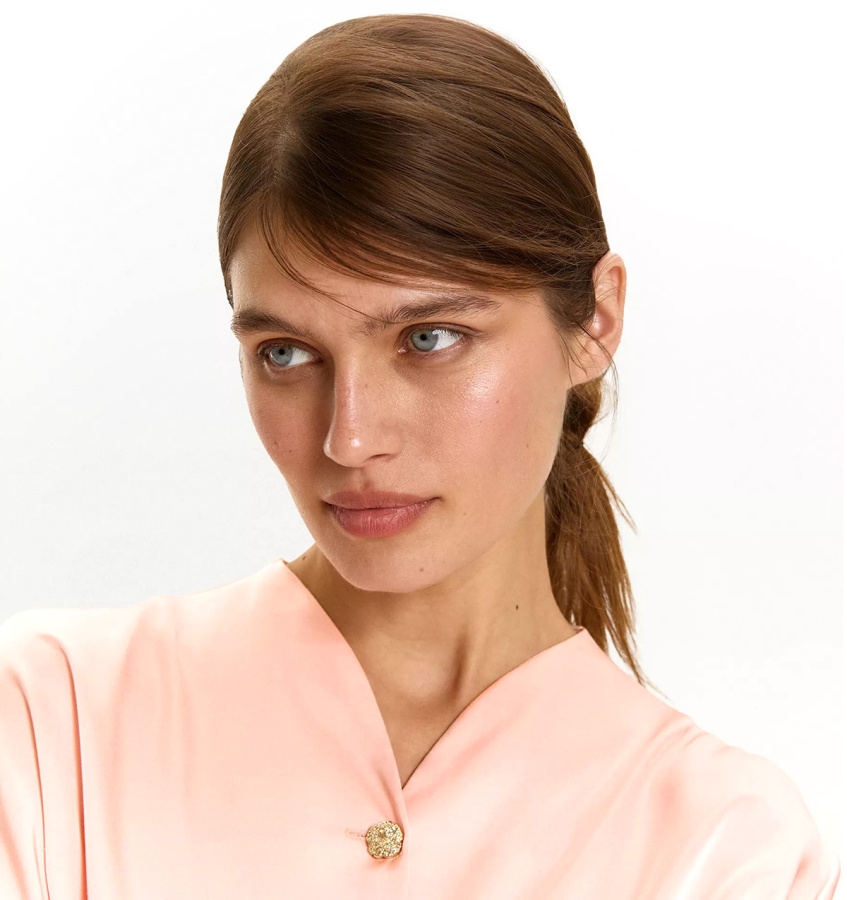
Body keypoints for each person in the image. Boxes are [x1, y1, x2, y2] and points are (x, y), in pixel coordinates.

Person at [0, 12, 839, 899]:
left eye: (429, 337)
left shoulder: (723, 848)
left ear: (595, 319)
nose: (350, 438)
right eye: (285, 353)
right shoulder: (54, 725)